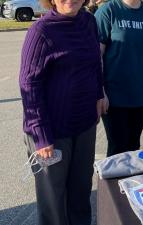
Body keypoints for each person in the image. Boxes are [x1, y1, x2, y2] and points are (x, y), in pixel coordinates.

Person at [19, 0, 104, 223]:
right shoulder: (41, 32)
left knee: (81, 191)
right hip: (51, 131)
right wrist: (40, 134)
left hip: (84, 124)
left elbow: (95, 63)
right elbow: (29, 85)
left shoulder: (89, 22)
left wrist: (98, 94)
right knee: (53, 203)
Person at [95, 0, 143, 156]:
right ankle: (112, 180)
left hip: (141, 94)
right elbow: (97, 55)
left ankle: (129, 180)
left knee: (133, 145)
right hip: (114, 96)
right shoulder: (108, 11)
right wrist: (100, 90)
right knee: (118, 147)